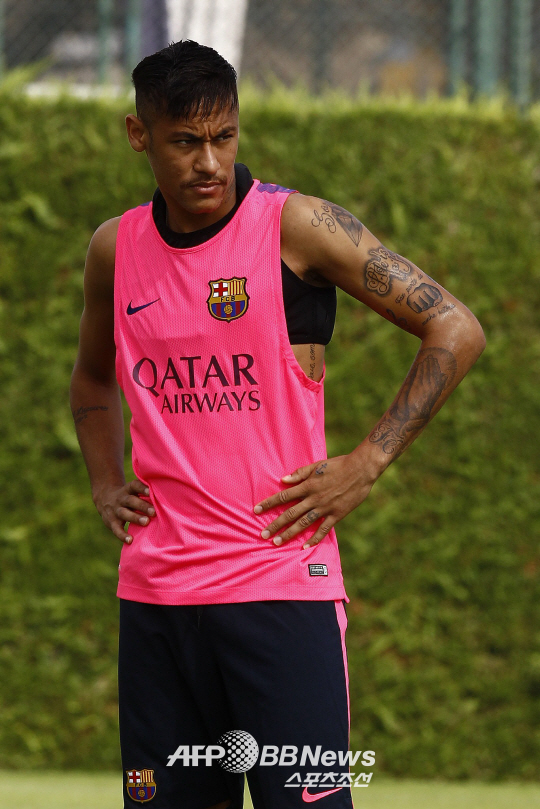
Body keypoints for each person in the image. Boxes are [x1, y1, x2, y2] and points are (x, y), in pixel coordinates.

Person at [70, 40, 485, 809]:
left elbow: (456, 329)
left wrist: (366, 462)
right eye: (184, 142)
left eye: (223, 137)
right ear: (138, 135)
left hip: (281, 590)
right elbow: (92, 378)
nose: (209, 162)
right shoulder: (114, 250)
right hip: (158, 599)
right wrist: (104, 482)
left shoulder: (297, 226)